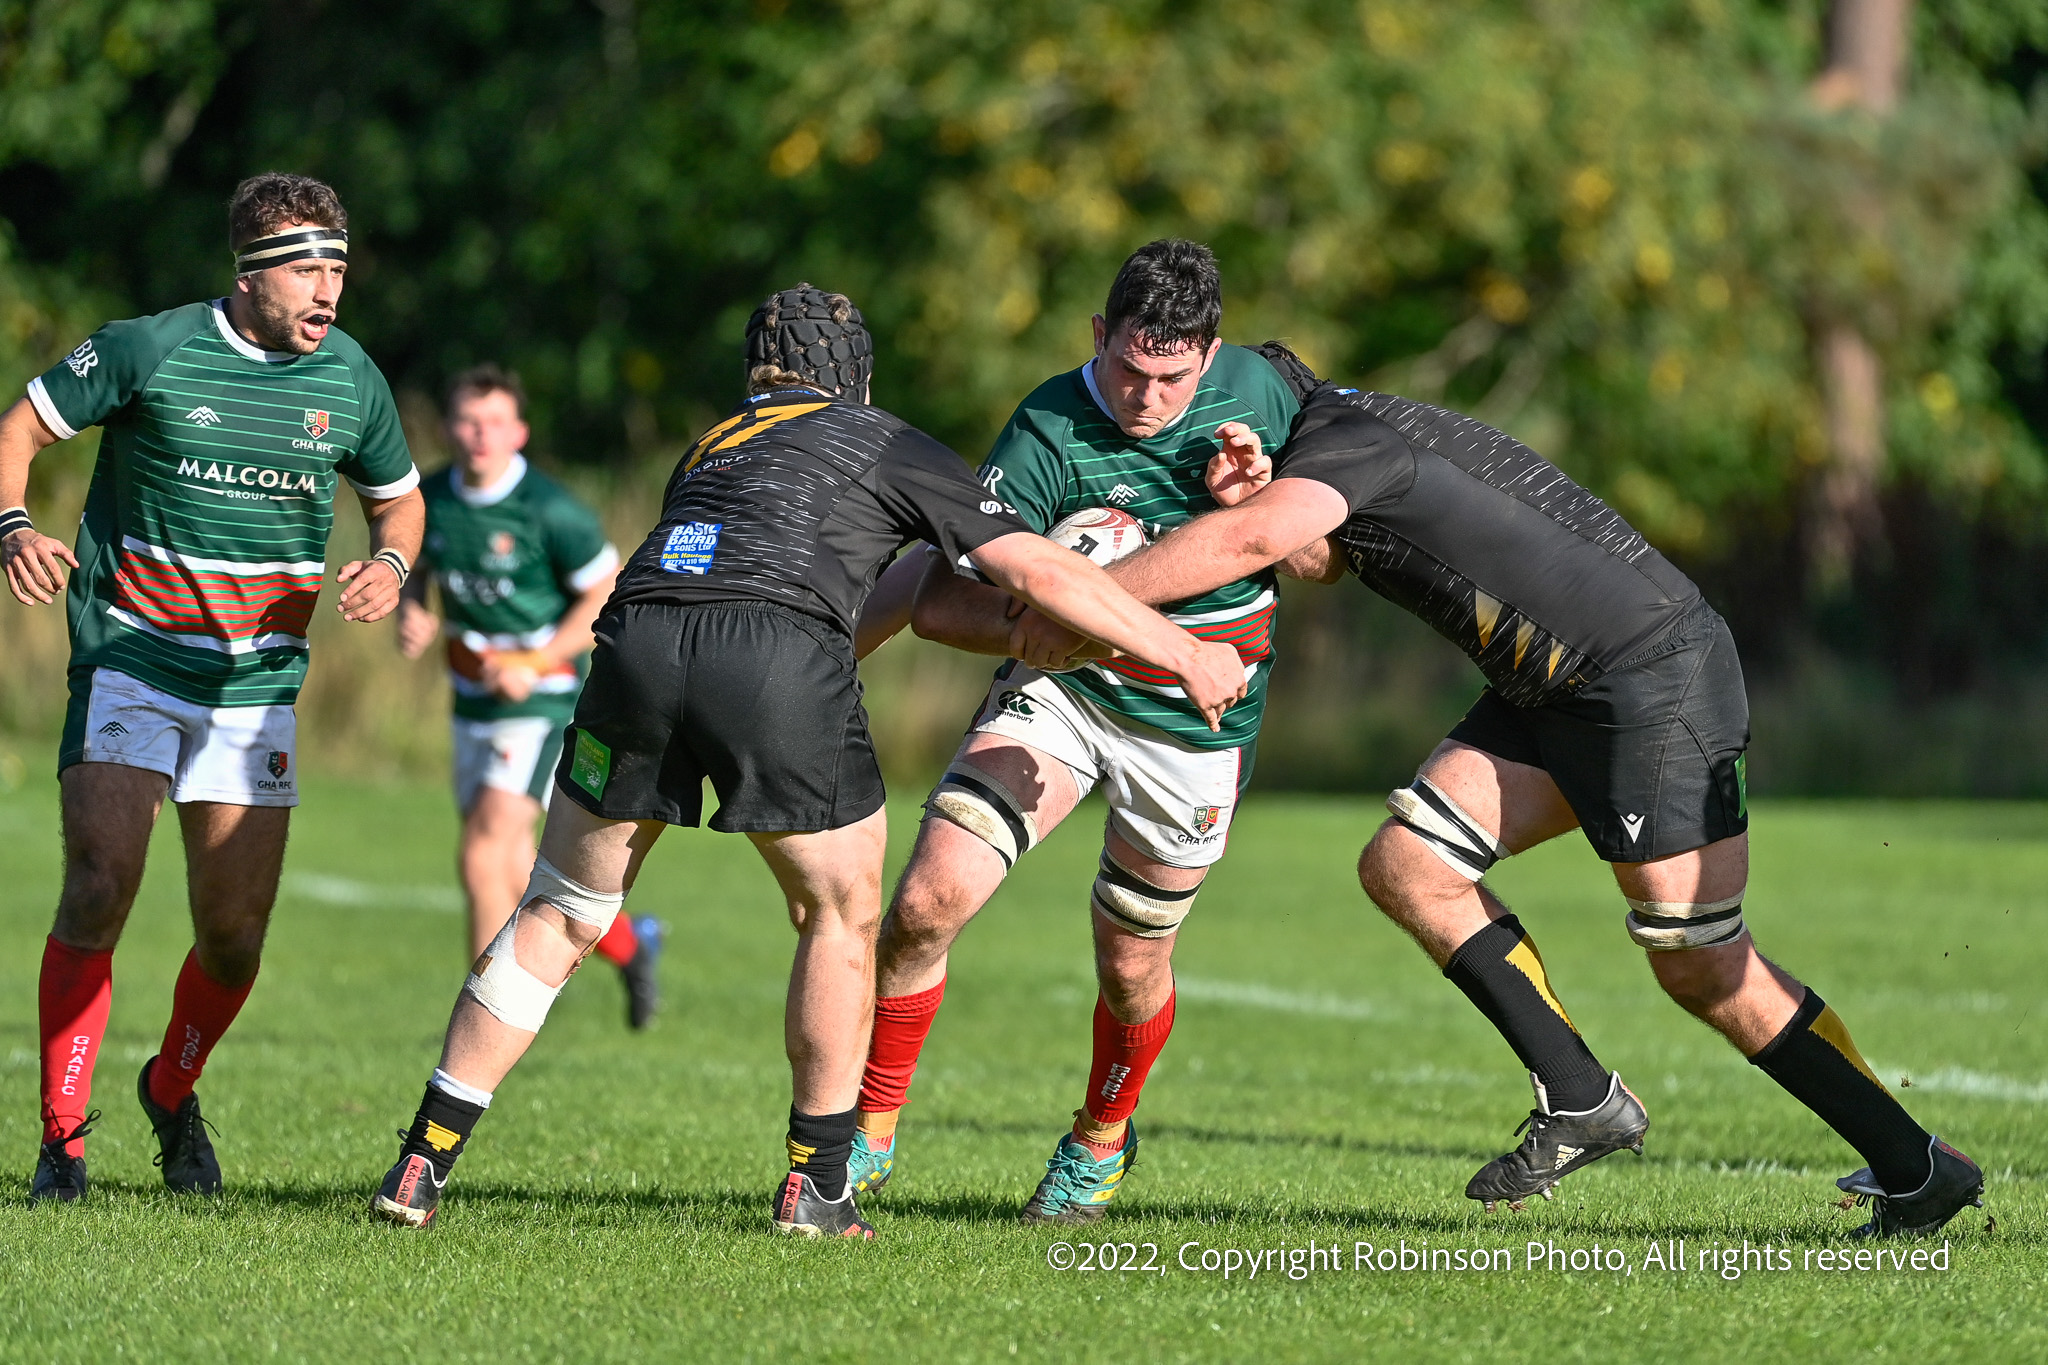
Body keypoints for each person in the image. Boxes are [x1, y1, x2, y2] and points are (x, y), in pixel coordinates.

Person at [368, 285, 1247, 1238]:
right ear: (859, 377)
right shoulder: (883, 438)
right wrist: (1181, 649)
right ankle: (818, 1183)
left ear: (757, 374)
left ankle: (422, 1160)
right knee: (839, 914)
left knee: (559, 908)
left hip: (634, 643)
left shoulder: (712, 443)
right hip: (774, 654)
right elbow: (1033, 567)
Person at [1103, 350, 1984, 1240]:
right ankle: (1581, 1096)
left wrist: (1072, 598)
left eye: (1203, 411)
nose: (1191, 429)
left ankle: (1917, 1166)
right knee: (1408, 865)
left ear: (1261, 406)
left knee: (1703, 962)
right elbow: (1319, 555)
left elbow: (1252, 545)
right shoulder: (1343, 435)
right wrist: (1253, 494)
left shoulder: (1346, 441)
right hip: (1561, 684)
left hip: (1649, 678)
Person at [844, 240, 1301, 1224]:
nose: (1147, 398)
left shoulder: (1262, 394)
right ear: (1099, 334)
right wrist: (1041, 629)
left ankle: (1099, 1138)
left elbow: (1321, 560)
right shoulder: (1046, 430)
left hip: (1193, 729)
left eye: (1173, 378)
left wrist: (1263, 506)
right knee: (924, 903)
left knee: (1130, 964)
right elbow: (940, 602)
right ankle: (868, 1127)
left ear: (1211, 352)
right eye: (1130, 369)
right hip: (1065, 697)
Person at [0, 172, 424, 1203]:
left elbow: (400, 502)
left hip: (256, 687)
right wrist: (13, 525)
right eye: (306, 269)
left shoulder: (352, 378)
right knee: (98, 884)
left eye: (338, 268)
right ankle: (63, 1141)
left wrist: (391, 563)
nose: (328, 290)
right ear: (249, 274)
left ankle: (170, 1088)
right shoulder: (149, 348)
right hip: (132, 656)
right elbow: (18, 430)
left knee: (233, 941)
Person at [398, 365, 663, 1026]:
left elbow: (607, 586)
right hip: (472, 703)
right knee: (516, 867)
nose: (480, 435)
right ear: (447, 427)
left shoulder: (550, 508)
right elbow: (415, 563)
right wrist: (412, 607)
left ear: (519, 431)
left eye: (495, 422)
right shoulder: (430, 498)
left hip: (541, 702)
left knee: (484, 852)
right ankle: (633, 947)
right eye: (468, 420)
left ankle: (480, 1027)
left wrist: (537, 659)